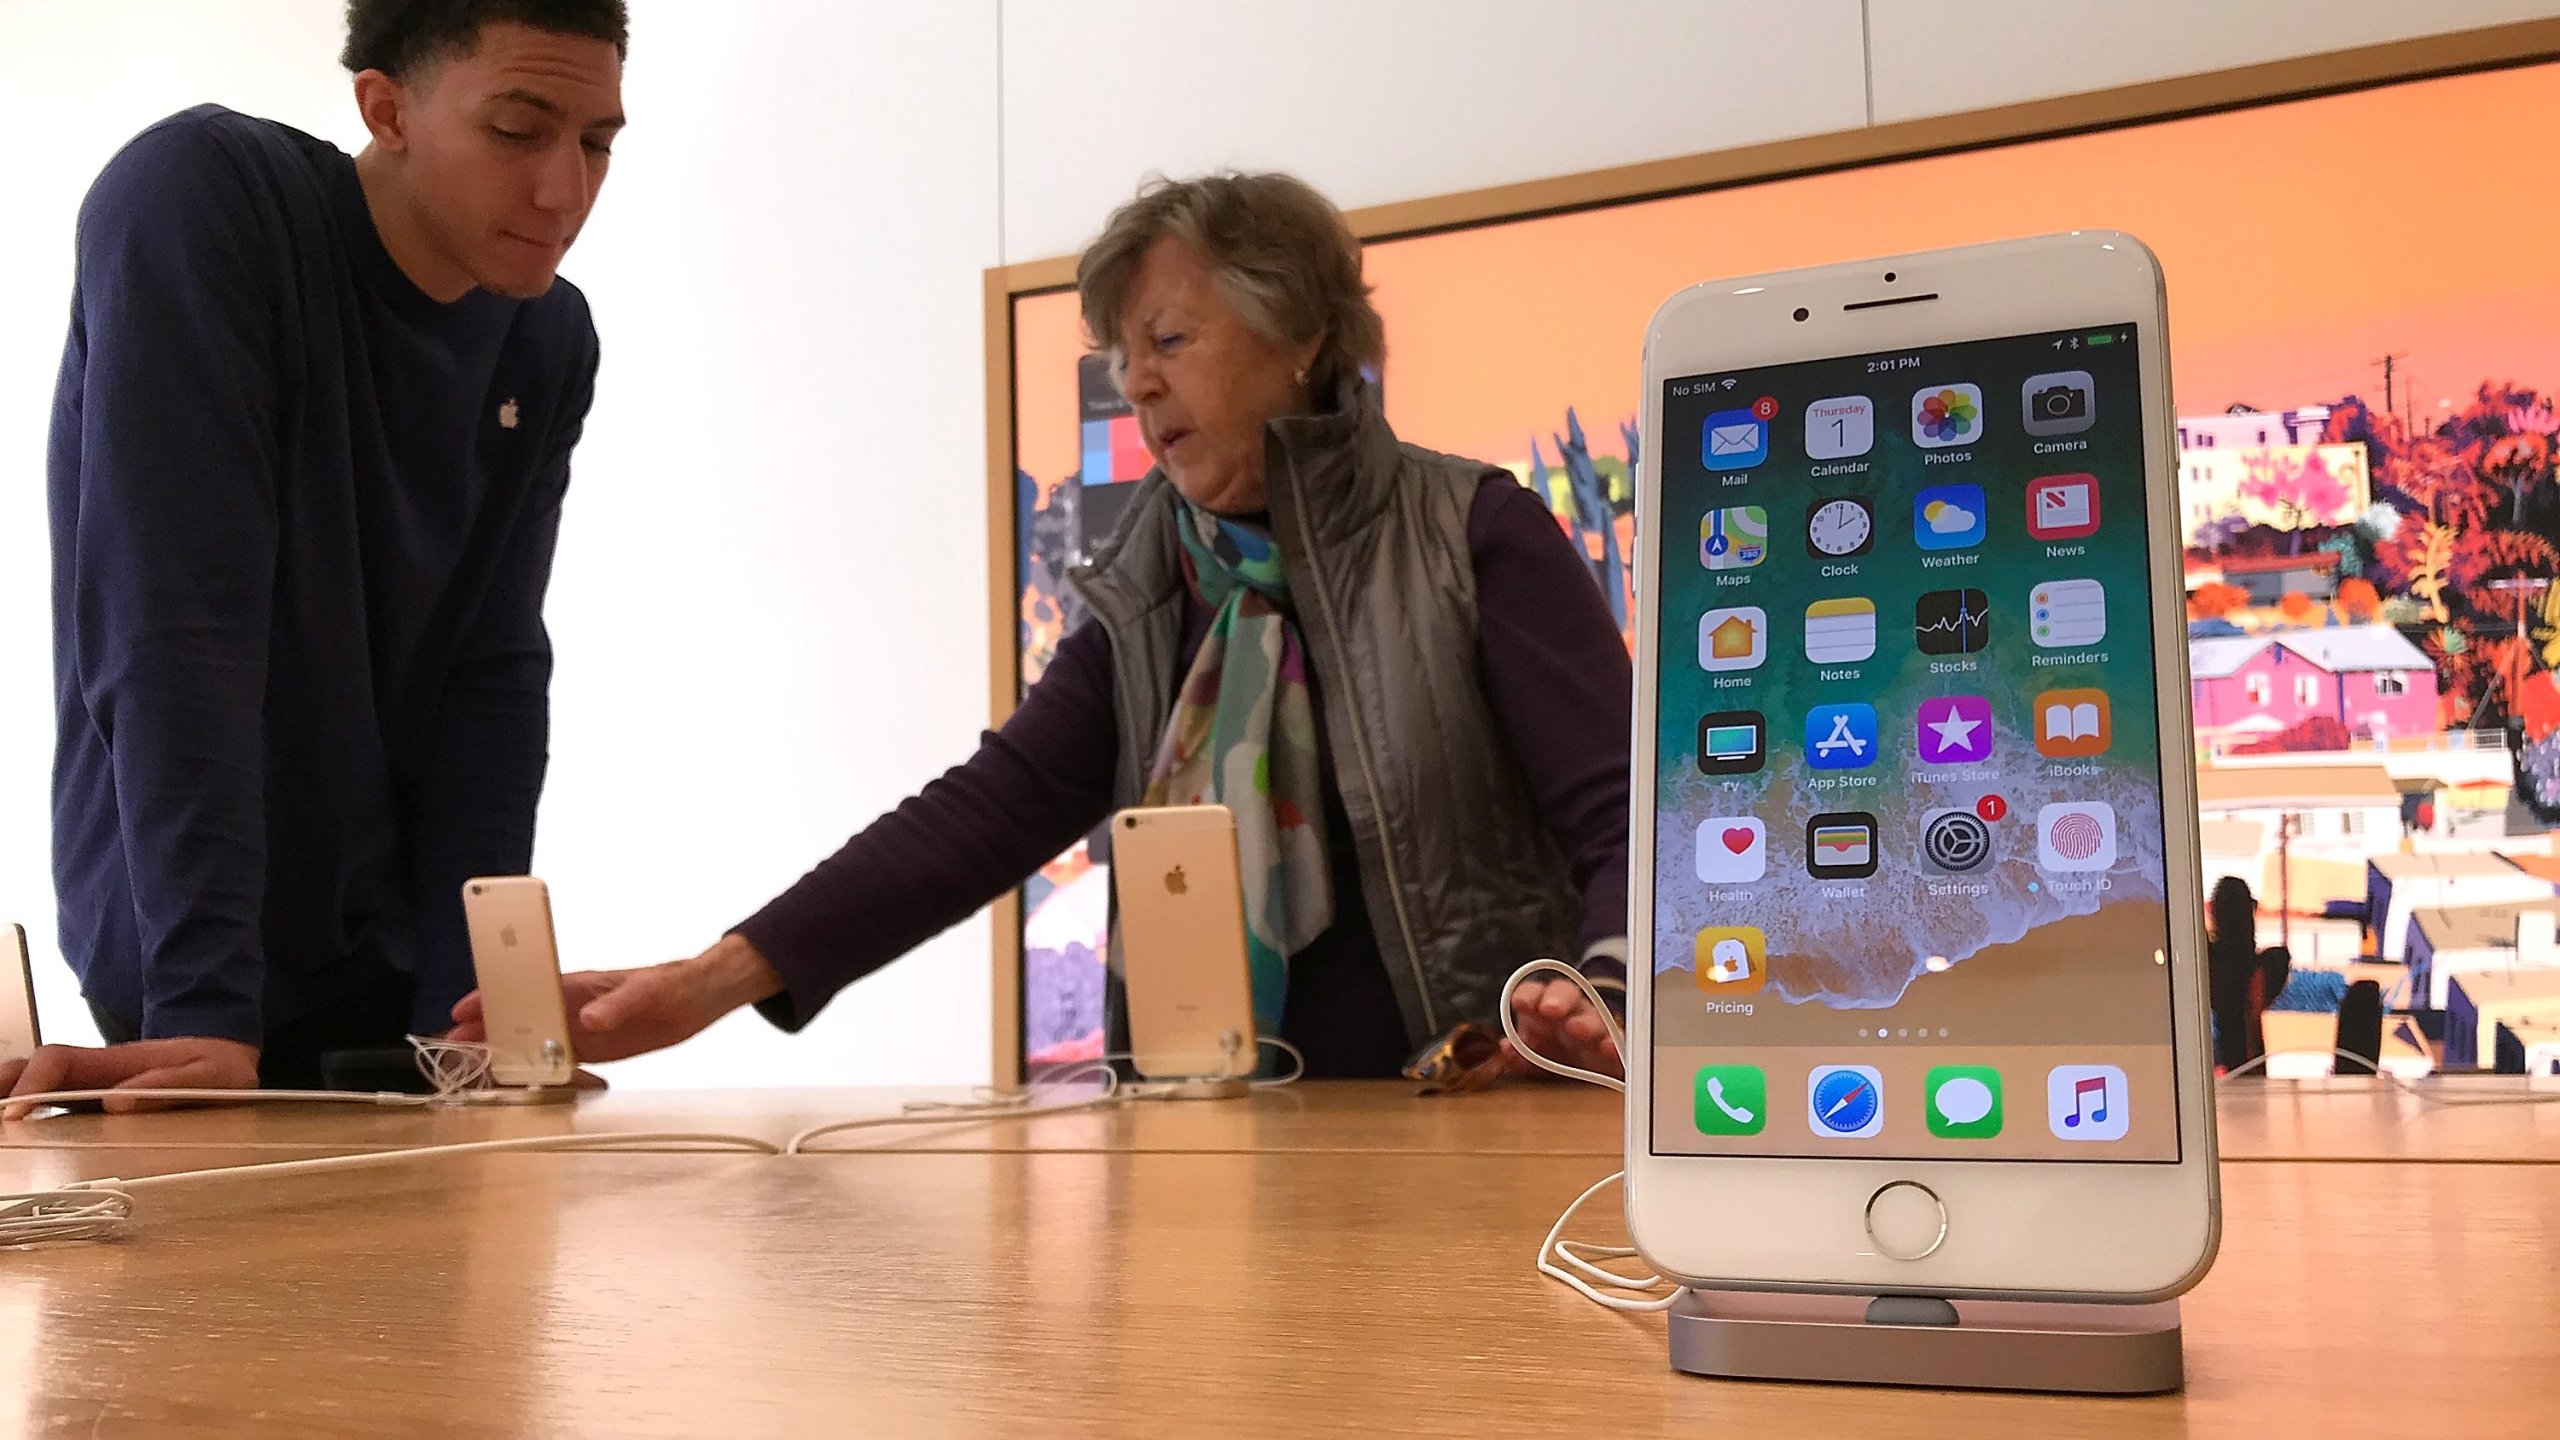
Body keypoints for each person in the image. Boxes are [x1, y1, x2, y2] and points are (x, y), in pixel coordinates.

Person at [451, 172, 1632, 1081]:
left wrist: (1605, 998)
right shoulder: (1151, 584)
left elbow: (1626, 817)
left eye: (1172, 342)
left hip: (1468, 1120)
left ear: (1306, 337)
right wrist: (701, 984)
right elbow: (987, 812)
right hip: (1205, 1141)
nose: (1141, 386)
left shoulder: (1468, 531)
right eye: (1126, 359)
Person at [4, 0, 627, 1112]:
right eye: (518, 132)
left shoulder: (547, 336)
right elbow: (174, 628)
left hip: (386, 963)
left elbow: (491, 671)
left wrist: (475, 1016)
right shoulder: (202, 198)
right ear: (384, 108)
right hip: (187, 960)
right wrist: (201, 1005)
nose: (563, 193)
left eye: (596, 143)